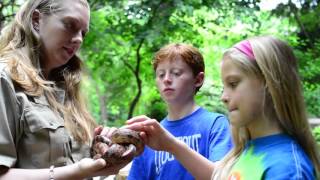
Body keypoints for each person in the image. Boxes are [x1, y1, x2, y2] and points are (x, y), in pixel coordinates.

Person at [125, 36, 320, 179]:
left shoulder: (286, 168)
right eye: (224, 86)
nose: (224, 97)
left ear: (269, 84)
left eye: (233, 84)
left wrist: (171, 145)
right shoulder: (245, 153)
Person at [0, 0, 129, 179]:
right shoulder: (5, 79)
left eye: (83, 32)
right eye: (70, 25)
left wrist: (100, 148)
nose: (79, 39)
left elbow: (73, 163)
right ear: (37, 20)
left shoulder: (67, 89)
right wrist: (75, 172)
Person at [127, 43, 233, 180]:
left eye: (176, 73)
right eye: (160, 74)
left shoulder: (215, 124)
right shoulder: (149, 135)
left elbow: (222, 177)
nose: (166, 79)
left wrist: (172, 145)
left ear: (198, 79)